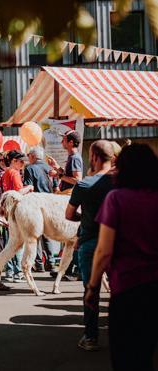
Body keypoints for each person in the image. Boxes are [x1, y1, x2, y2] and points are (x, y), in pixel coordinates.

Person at [86, 144, 158, 370]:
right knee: (147, 355)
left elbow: (104, 251)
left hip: (127, 289)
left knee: (125, 357)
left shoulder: (116, 199)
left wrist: (93, 287)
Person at [65, 140, 115, 352]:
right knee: (119, 288)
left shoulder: (84, 185)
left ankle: (91, 337)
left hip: (89, 242)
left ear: (93, 157)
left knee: (91, 290)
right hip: (116, 242)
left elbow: (69, 214)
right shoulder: (120, 183)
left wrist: (86, 218)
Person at [24, 147, 58, 273]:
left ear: (33, 156)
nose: (28, 157)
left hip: (35, 204)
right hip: (49, 203)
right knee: (47, 234)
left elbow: (29, 188)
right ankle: (51, 262)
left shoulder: (29, 168)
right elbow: (56, 188)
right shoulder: (50, 169)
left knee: (35, 235)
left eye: (28, 155)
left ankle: (39, 264)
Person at [1, 150, 33, 283]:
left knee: (8, 241)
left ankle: (9, 271)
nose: (23, 164)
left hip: (7, 210)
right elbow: (18, 192)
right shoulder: (14, 173)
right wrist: (29, 187)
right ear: (14, 161)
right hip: (15, 210)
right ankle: (18, 272)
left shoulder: (6, 172)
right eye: (21, 161)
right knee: (18, 242)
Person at [48, 130, 83, 194]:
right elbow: (68, 174)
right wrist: (56, 166)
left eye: (64, 140)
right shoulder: (72, 156)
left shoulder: (75, 158)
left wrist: (58, 175)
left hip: (69, 194)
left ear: (71, 142)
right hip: (66, 193)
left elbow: (78, 180)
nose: (61, 142)